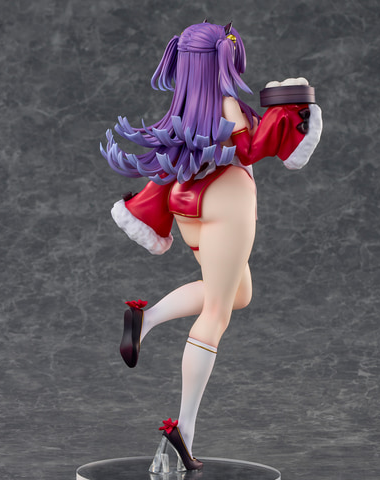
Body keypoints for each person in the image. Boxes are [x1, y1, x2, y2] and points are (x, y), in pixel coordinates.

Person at [101, 21, 322, 470]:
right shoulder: (226, 104)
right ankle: (182, 433)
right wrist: (293, 113)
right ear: (221, 59)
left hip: (189, 209)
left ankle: (146, 318)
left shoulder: (182, 108)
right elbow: (252, 149)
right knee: (217, 313)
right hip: (227, 207)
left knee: (239, 293)